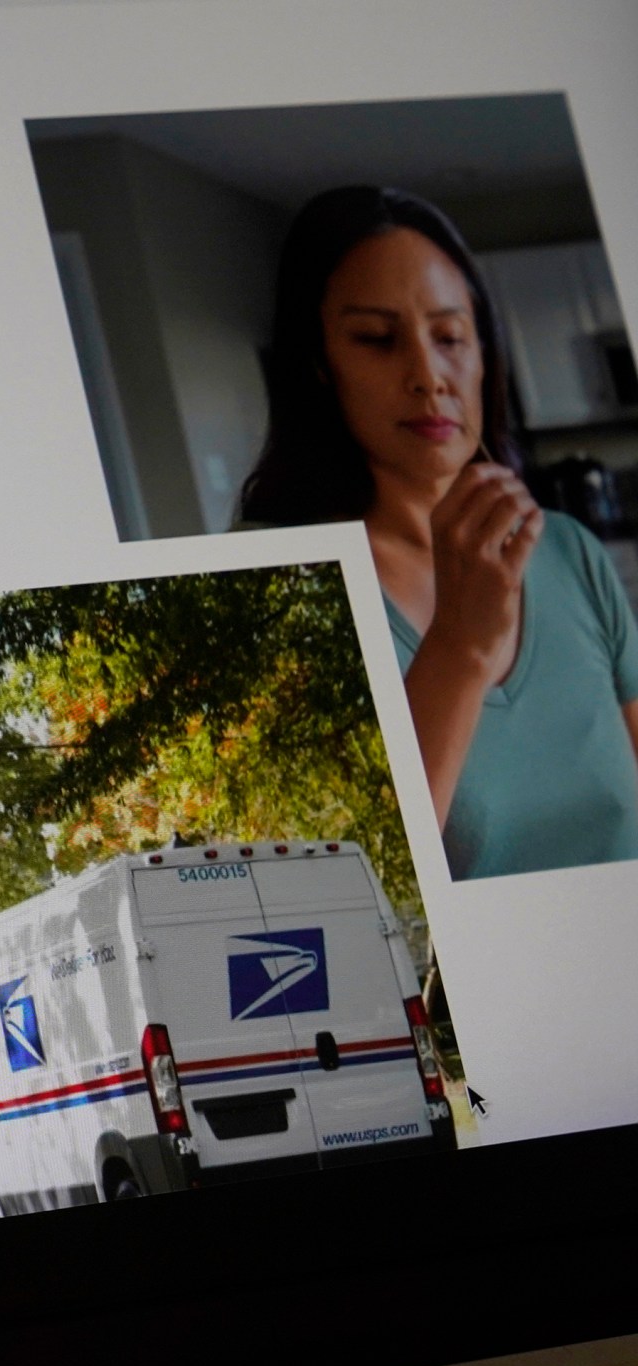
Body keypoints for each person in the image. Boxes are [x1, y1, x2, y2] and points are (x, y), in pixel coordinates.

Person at [237, 186, 638, 880]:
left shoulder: (569, 549)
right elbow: (345, 883)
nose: (428, 377)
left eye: (450, 338)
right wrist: (460, 645)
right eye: (376, 339)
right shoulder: (277, 589)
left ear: (486, 355)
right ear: (319, 366)